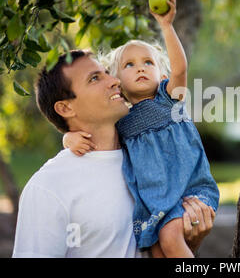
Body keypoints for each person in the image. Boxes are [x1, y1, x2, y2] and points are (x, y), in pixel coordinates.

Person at [12, 50, 215, 258]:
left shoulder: (145, 155)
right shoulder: (49, 186)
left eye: (107, 72)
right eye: (94, 78)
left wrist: (190, 241)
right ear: (65, 108)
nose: (114, 80)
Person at [63, 0, 219, 258]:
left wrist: (166, 26)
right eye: (130, 65)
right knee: (157, 250)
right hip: (156, 205)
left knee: (170, 239)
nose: (141, 68)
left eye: (149, 62)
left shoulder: (168, 99)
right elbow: (92, 134)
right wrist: (69, 139)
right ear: (116, 81)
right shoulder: (120, 120)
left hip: (190, 192)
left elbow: (181, 69)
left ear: (162, 75)